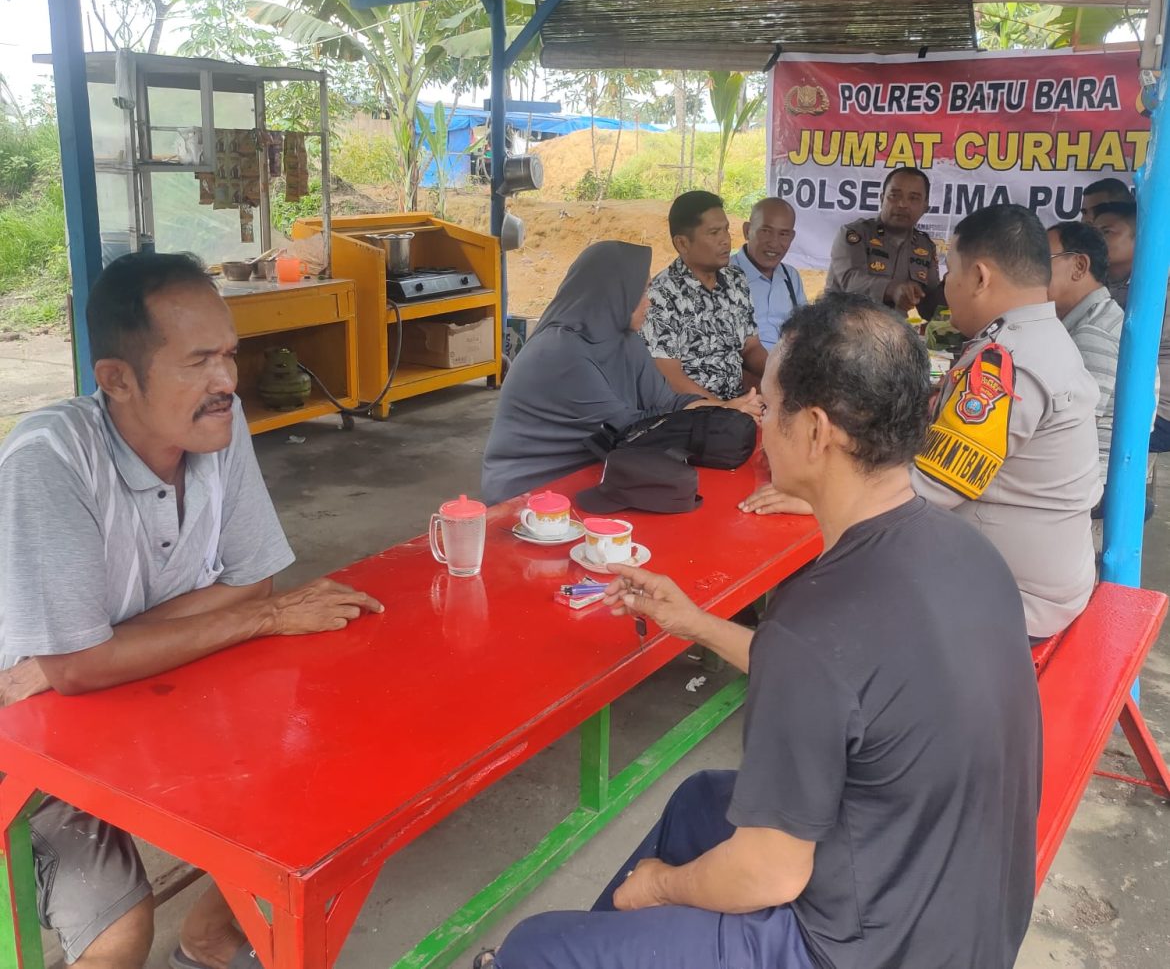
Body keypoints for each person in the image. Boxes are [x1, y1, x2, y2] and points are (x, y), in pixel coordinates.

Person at [477, 293, 1040, 969]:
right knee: (698, 802)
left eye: (768, 406)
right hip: (963, 912)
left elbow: (768, 875)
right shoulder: (965, 551)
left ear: (814, 431)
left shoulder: (819, 618)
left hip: (864, 949)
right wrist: (695, 623)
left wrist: (659, 885)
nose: (760, 424)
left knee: (535, 947)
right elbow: (846, 689)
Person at [0, 253, 382, 969]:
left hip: (153, 692)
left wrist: (90, 654)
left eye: (230, 355)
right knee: (119, 936)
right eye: (199, 360)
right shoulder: (49, 460)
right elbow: (81, 673)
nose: (228, 382)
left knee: (321, 781)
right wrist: (84, 661)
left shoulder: (216, 423)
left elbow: (253, 582)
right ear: (116, 378)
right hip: (29, 738)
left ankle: (207, 941)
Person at [745, 205, 1100, 640]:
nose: (945, 287)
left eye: (950, 273)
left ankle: (794, 667)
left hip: (1011, 599)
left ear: (981, 278)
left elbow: (933, 488)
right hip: (1043, 578)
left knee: (822, 587)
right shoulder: (1044, 339)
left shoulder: (1006, 362)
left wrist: (820, 497)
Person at [481, 241, 761, 505]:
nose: (649, 302)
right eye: (642, 292)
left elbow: (667, 402)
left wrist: (726, 409)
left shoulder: (625, 340)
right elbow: (631, 430)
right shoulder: (558, 352)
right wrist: (718, 418)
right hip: (530, 494)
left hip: (598, 469)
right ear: (615, 293)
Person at [640, 191, 768, 400]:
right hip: (692, 414)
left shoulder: (735, 279)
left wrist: (780, 376)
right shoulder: (661, 295)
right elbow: (670, 375)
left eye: (726, 229)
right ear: (682, 243)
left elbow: (751, 347)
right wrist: (723, 409)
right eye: (714, 232)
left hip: (739, 403)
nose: (726, 240)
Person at [1047, 222, 1125, 485]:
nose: (1033, 272)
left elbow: (1069, 431)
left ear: (1080, 266)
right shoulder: (1095, 317)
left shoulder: (1093, 333)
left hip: (1088, 482)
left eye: (1044, 260)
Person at [1090, 200, 1170, 453]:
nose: (1097, 239)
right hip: (1125, 399)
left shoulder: (1158, 287)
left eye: (1107, 231)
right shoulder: (1111, 280)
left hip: (1159, 413)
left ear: (1140, 238)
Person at [824, 166, 943, 318]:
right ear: (882, 199)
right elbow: (850, 281)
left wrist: (950, 286)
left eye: (913, 198)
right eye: (894, 195)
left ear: (925, 207)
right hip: (841, 330)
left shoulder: (925, 246)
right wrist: (892, 290)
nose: (902, 204)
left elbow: (930, 308)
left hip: (892, 335)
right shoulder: (854, 234)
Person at [730, 197, 807, 350]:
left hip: (787, 366)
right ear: (747, 231)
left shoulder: (791, 276)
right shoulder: (722, 274)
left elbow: (803, 330)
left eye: (783, 234)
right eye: (766, 231)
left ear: (791, 238)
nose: (773, 243)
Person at [1091, 199, 1137, 307]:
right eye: (1093, 232)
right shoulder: (1087, 284)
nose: (1094, 238)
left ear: (1138, 237)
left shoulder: (1160, 288)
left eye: (1106, 231)